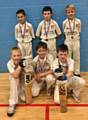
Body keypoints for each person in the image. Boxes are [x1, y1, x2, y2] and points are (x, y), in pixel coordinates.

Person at [62, 4, 81, 76]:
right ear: (66, 13)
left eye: (72, 12)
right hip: (68, 41)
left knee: (76, 57)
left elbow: (79, 30)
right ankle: (69, 72)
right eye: (69, 12)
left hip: (76, 40)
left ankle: (77, 72)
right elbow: (64, 32)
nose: (70, 13)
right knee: (68, 57)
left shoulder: (78, 21)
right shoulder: (64, 22)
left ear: (74, 12)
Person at [7, 47, 25, 116]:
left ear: (21, 55)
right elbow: (15, 75)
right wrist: (20, 66)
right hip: (15, 79)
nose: (16, 57)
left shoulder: (23, 61)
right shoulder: (9, 64)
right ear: (11, 56)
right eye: (14, 56)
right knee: (14, 79)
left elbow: (29, 74)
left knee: (26, 98)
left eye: (18, 55)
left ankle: (21, 93)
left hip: (22, 79)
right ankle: (12, 103)